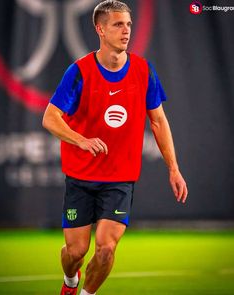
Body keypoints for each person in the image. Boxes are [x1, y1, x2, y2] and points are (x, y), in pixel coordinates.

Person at [42, 1, 188, 294]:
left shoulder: (143, 70)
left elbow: (158, 121)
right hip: (80, 178)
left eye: (129, 25)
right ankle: (70, 281)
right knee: (75, 253)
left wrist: (174, 168)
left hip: (119, 180)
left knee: (106, 249)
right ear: (100, 29)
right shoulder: (79, 71)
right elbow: (50, 118)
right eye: (118, 25)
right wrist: (81, 140)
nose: (126, 31)